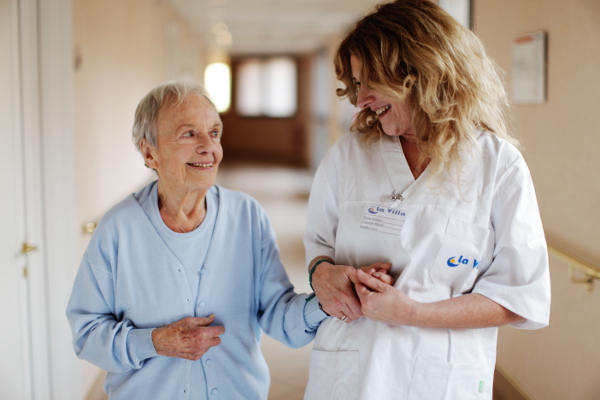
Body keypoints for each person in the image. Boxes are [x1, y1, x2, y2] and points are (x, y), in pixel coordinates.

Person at [303, 1, 551, 399]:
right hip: (349, 370)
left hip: (440, 377)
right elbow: (317, 247)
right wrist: (321, 274)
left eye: (370, 81)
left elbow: (519, 297)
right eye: (354, 84)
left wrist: (412, 314)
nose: (359, 99)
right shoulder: (348, 156)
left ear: (420, 71)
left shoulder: (497, 166)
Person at [66, 81, 329, 399]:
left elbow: (277, 313)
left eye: (214, 132)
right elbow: (87, 334)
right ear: (150, 152)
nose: (209, 147)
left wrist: (326, 301)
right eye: (189, 133)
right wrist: (155, 341)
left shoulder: (247, 216)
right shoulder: (118, 229)